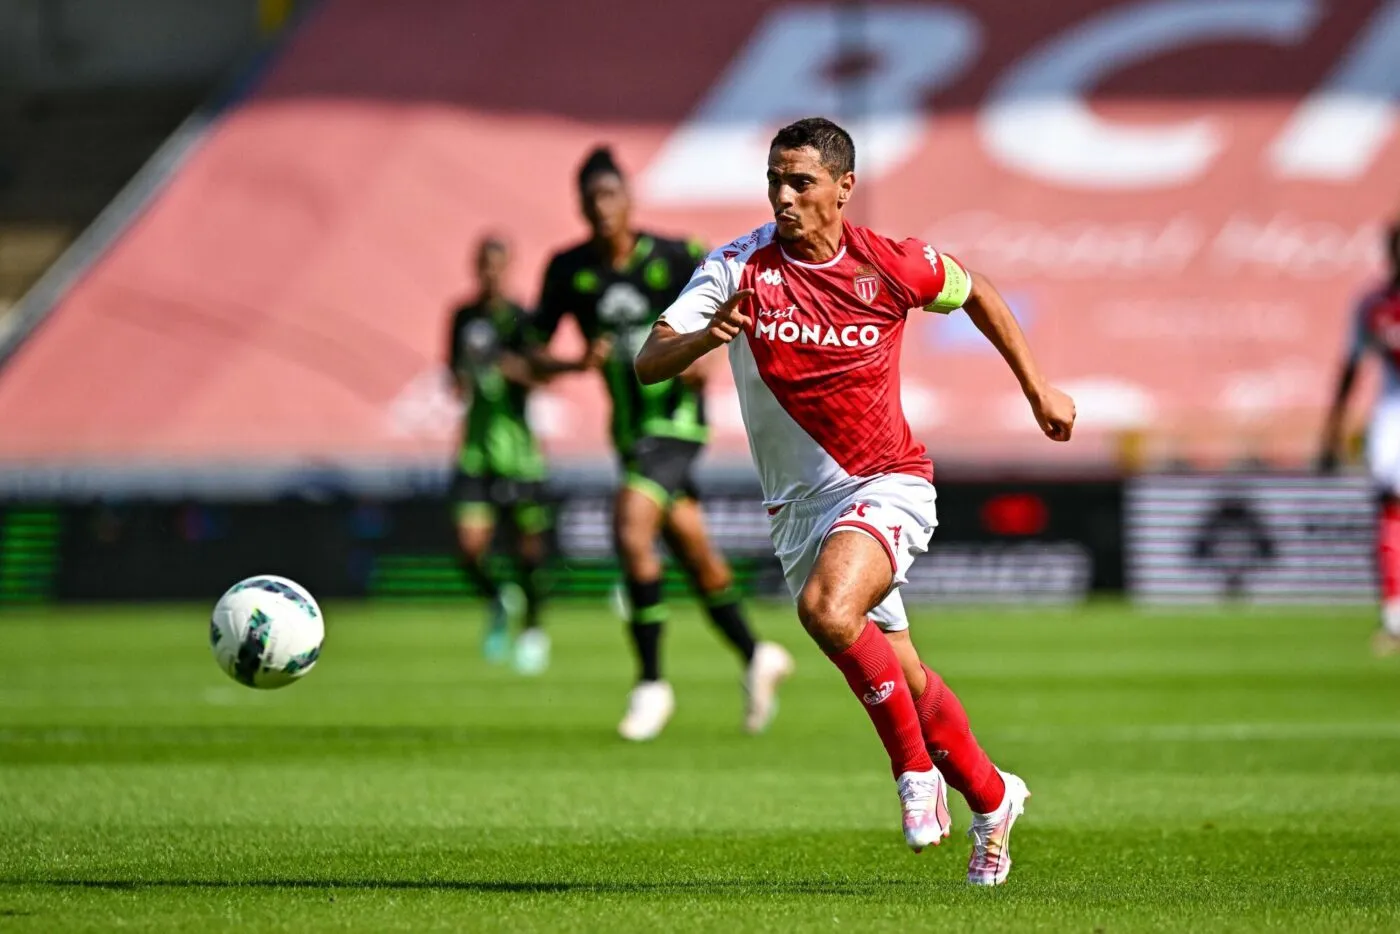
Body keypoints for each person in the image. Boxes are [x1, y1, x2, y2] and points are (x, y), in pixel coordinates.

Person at [634, 118, 1076, 884]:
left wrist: (1038, 387)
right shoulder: (737, 268)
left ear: (843, 187)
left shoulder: (891, 263)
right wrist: (708, 334)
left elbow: (978, 291)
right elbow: (648, 361)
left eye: (800, 181)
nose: (783, 195)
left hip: (888, 482)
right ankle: (995, 796)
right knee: (902, 677)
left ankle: (915, 777)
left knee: (827, 611)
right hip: (800, 511)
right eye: (774, 179)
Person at [528, 146, 794, 741]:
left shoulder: (674, 257)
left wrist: (705, 351)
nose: (601, 209)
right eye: (591, 199)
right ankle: (756, 654)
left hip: (676, 423)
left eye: (610, 196)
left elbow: (729, 308)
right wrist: (574, 362)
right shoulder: (568, 270)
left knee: (629, 525)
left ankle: (651, 682)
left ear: (628, 201)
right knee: (693, 549)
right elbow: (531, 354)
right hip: (629, 431)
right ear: (580, 205)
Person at [448, 236, 552, 675]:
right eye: (483, 266)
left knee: (527, 551)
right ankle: (497, 600)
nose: (490, 273)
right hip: (475, 447)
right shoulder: (462, 317)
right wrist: (467, 371)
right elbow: (454, 379)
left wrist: (503, 363)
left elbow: (539, 375)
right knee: (469, 549)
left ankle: (532, 629)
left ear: (507, 268)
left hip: (517, 450)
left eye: (497, 266)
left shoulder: (520, 319)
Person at [1319, 220, 1400, 656]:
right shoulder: (1373, 304)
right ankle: (1394, 613)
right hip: (1395, 412)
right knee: (1391, 506)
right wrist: (1332, 430)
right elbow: (1351, 367)